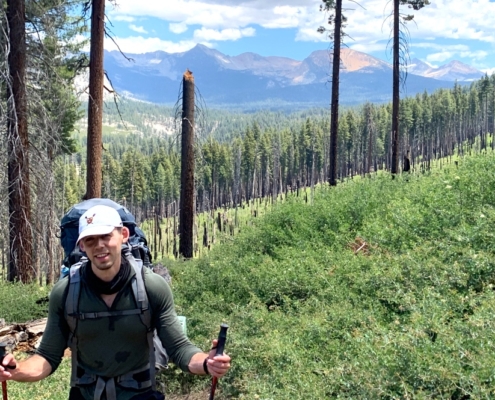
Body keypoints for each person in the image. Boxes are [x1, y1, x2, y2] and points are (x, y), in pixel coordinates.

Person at [0, 205, 231, 400]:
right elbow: (47, 357)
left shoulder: (151, 287)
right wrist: (15, 369)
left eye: (106, 236)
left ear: (123, 235)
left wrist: (206, 363)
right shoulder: (66, 292)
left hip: (140, 394)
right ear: (82, 246)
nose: (99, 245)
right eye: (90, 240)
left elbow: (179, 348)